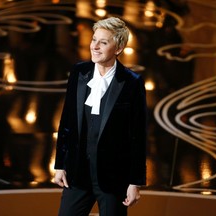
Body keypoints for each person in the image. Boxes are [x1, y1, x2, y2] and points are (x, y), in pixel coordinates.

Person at [54, 17, 147, 216]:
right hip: (78, 173)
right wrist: (60, 164)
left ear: (119, 48)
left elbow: (138, 136)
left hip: (113, 178)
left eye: (103, 42)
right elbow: (67, 122)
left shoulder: (132, 83)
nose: (94, 47)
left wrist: (135, 182)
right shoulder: (79, 72)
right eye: (94, 40)